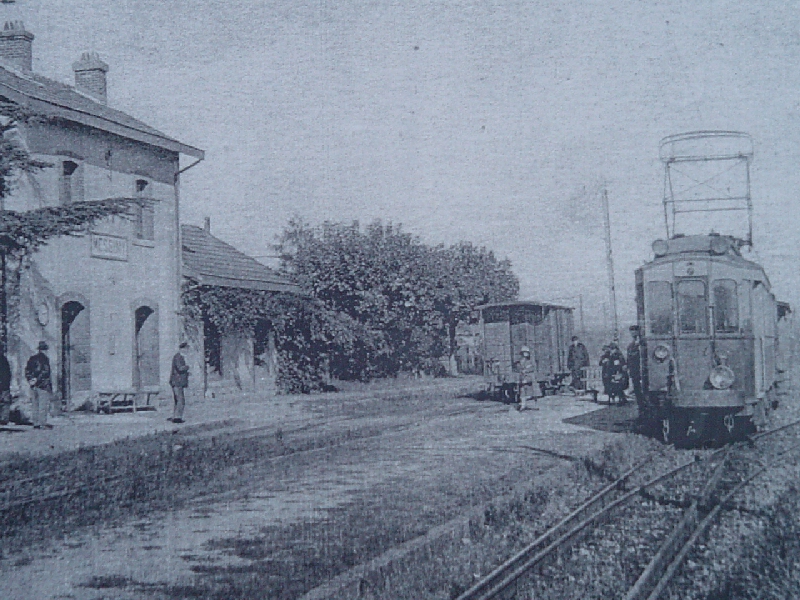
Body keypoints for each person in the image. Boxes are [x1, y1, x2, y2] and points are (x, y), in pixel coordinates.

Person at [25, 341, 53, 429]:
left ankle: (35, 423)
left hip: (33, 385)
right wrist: (37, 380)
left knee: (35, 404)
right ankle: (42, 423)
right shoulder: (45, 359)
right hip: (43, 385)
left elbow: (27, 370)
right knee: (43, 405)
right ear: (45, 350)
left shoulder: (32, 358)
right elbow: (45, 372)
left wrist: (30, 379)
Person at [169, 341, 190, 423]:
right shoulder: (178, 357)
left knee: (178, 400)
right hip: (177, 382)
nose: (187, 351)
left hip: (178, 382)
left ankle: (176, 416)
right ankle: (177, 418)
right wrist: (187, 367)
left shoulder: (179, 357)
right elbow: (180, 368)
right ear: (182, 349)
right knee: (181, 400)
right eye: (186, 349)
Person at [515, 346, 540, 411]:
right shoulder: (519, 361)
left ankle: (534, 405)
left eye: (526, 352)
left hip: (529, 378)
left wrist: (526, 370)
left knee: (532, 393)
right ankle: (523, 405)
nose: (525, 354)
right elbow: (518, 368)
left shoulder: (530, 361)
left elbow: (533, 368)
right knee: (522, 392)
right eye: (524, 352)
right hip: (523, 378)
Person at [626, 325, 644, 406]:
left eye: (635, 331)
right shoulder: (630, 345)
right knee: (637, 391)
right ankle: (641, 409)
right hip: (635, 371)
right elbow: (629, 358)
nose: (633, 333)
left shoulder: (644, 342)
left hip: (644, 370)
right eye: (631, 331)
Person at [0, 350, 11, 426]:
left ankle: (4, 419)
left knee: (5, 402)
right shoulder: (3, 359)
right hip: (4, 384)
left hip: (4, 384)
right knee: (5, 402)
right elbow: (7, 373)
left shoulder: (3, 359)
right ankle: (4, 419)